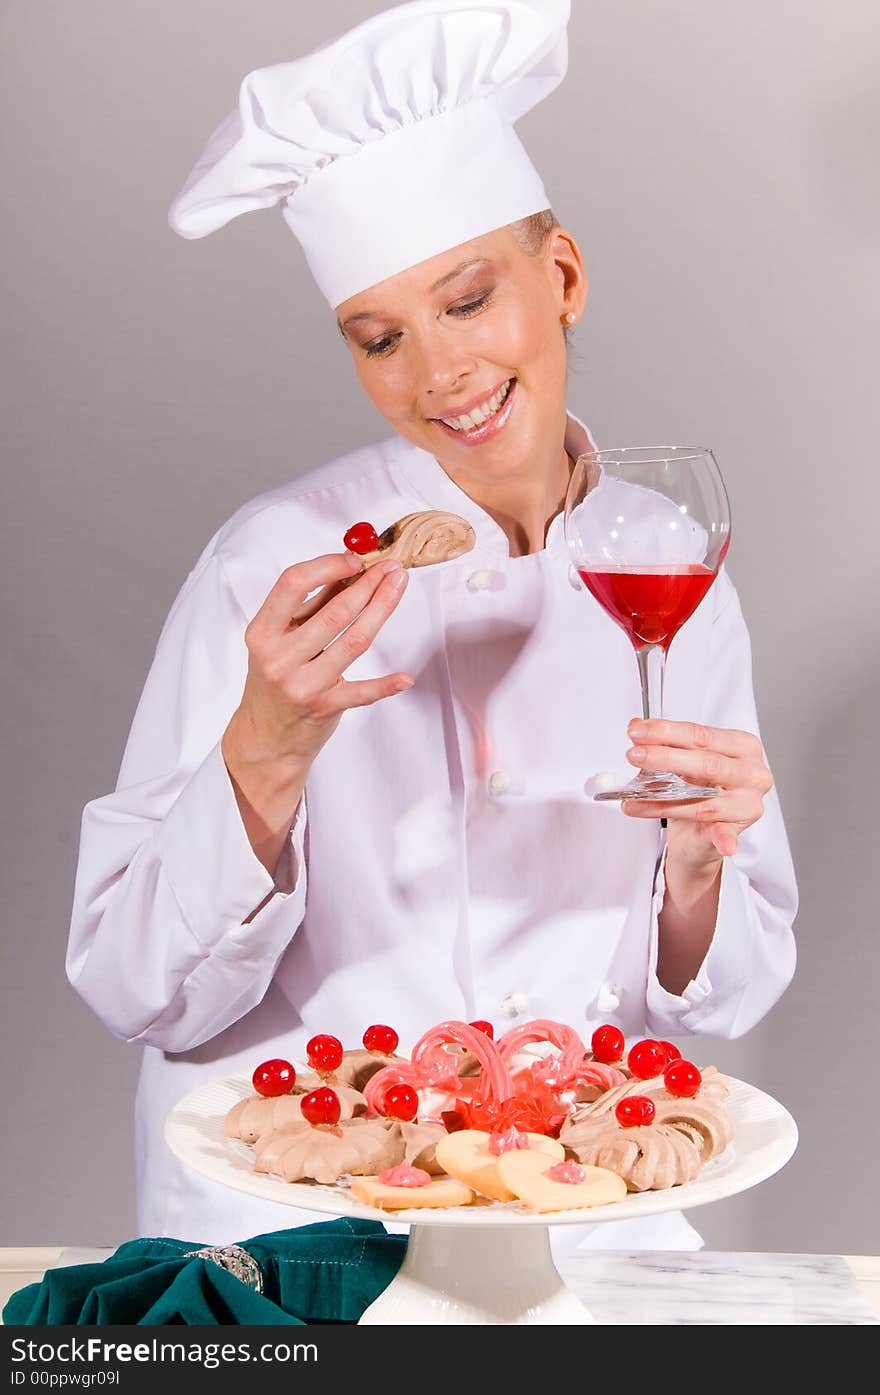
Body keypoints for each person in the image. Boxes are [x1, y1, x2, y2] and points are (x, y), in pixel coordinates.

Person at [66, 0, 797, 1254]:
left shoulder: (669, 572)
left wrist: (695, 860)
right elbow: (140, 990)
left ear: (560, 278)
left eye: (467, 302)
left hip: (583, 1222)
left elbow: (726, 997)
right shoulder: (275, 566)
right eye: (379, 338)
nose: (437, 373)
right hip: (293, 1225)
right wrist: (266, 751)